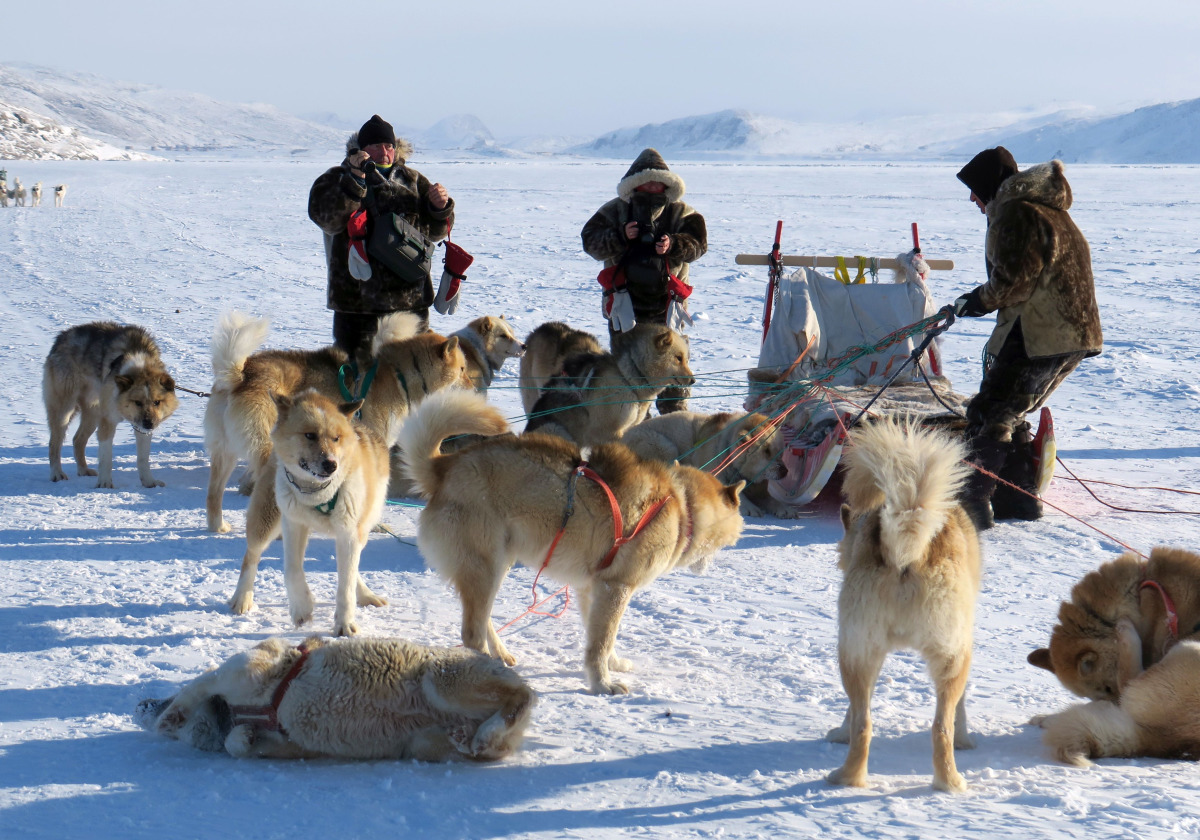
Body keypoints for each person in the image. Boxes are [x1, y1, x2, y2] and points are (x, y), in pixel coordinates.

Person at [952, 147, 1102, 529]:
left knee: (989, 412)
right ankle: (1017, 500)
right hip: (1073, 332)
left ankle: (970, 506)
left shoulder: (1016, 213)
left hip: (1041, 331)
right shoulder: (1047, 210)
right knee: (1008, 411)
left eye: (974, 189)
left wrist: (977, 301)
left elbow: (1014, 282)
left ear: (989, 185)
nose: (972, 198)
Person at [308, 115, 454, 362]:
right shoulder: (336, 178)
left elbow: (435, 234)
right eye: (375, 146)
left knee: (412, 381)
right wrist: (355, 182)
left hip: (411, 300)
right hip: (358, 303)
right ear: (361, 149)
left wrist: (440, 208)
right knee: (356, 377)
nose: (383, 151)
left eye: (388, 146)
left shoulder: (414, 180)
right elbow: (327, 219)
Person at [581, 148, 707, 413]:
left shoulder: (682, 212)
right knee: (628, 368)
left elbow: (698, 246)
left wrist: (673, 244)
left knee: (674, 364)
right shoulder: (615, 211)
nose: (653, 185)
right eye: (647, 181)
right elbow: (590, 243)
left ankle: (675, 419)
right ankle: (633, 423)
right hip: (624, 302)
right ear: (634, 183)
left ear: (668, 183)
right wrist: (620, 235)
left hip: (669, 303)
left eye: (658, 180)